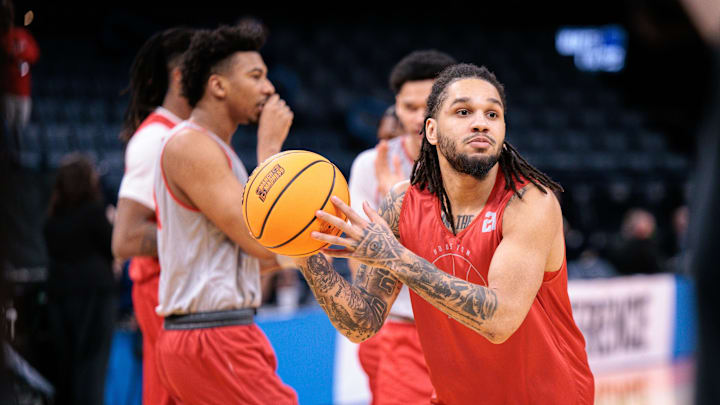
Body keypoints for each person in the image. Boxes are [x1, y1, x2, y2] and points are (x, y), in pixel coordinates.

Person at [295, 64, 594, 404]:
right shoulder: (402, 201)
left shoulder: (530, 202)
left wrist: (392, 254)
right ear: (432, 131)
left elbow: (499, 320)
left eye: (492, 114)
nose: (481, 122)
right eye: (463, 111)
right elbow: (362, 322)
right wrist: (304, 252)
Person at [152, 23, 297, 405]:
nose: (268, 87)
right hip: (213, 336)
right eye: (256, 76)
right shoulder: (191, 145)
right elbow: (260, 242)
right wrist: (269, 152)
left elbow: (251, 257)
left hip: (208, 333)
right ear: (218, 86)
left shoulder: (216, 149)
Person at [347, 49, 455, 405]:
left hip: (463, 328)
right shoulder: (368, 165)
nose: (419, 117)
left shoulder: (478, 167)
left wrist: (403, 207)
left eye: (429, 106)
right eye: (409, 107)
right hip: (399, 326)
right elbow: (358, 259)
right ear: (395, 106)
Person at [111, 27, 194, 405]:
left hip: (183, 294)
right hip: (163, 296)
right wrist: (204, 240)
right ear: (180, 76)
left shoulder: (183, 135)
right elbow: (126, 239)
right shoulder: (155, 140)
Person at [44, 154, 115, 405]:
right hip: (96, 298)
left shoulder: (51, 221)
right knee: (92, 368)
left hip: (59, 297)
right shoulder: (95, 214)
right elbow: (113, 248)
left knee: (66, 369)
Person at [0, 0, 38, 154]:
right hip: (7, 91)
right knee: (6, 129)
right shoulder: (3, 36)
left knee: (21, 129)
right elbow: (6, 52)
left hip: (23, 92)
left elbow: (34, 54)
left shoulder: (23, 34)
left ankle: (19, 157)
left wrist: (17, 55)